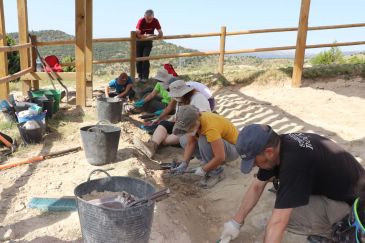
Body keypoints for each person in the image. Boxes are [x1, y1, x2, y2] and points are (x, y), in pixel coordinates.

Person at [220, 124, 365, 243]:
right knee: (282, 204)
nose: (252, 166)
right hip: (338, 189)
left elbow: (278, 224)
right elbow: (257, 185)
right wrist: (236, 223)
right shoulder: (279, 145)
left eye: (254, 161)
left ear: (268, 152)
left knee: (286, 219)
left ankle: (336, 233)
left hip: (353, 206)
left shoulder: (294, 163)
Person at [133, 80, 211, 159]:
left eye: (176, 96)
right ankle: (152, 146)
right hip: (180, 124)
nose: (174, 98)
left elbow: (203, 117)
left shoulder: (198, 98)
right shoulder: (181, 99)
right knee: (163, 124)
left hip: (192, 128)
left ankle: (161, 141)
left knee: (165, 140)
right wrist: (161, 119)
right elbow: (176, 115)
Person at [170, 105, 239, 188]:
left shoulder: (210, 128)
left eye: (189, 127)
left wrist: (203, 170)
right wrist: (184, 163)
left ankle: (216, 173)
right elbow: (190, 143)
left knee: (203, 140)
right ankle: (208, 162)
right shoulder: (194, 121)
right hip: (219, 146)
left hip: (233, 149)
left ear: (197, 120)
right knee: (184, 140)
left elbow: (220, 157)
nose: (188, 130)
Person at [135, 9, 163, 81]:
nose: (148, 21)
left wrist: (158, 34)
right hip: (139, 42)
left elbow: (160, 32)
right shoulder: (141, 20)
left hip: (148, 42)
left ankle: (145, 77)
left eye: (150, 19)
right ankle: (139, 76)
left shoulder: (155, 21)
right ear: (144, 16)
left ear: (153, 17)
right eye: (147, 19)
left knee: (145, 58)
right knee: (138, 59)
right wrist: (143, 36)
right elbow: (137, 32)